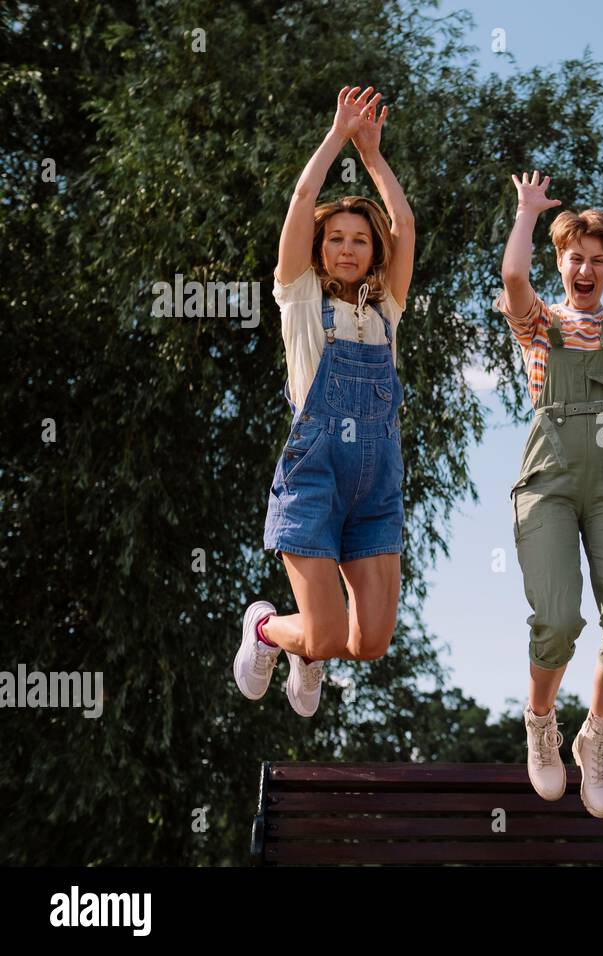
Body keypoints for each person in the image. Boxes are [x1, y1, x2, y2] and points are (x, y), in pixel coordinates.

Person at [234, 86, 415, 716]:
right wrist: (338, 136)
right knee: (327, 636)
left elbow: (405, 225)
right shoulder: (301, 300)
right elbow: (302, 201)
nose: (346, 247)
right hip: (314, 479)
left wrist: (374, 156)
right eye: (335, 238)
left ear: (372, 254)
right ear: (319, 249)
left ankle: (306, 652)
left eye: (359, 240)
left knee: (370, 643)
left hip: (375, 486)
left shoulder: (385, 308)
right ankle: (267, 631)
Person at [497, 170, 603, 818]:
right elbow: (515, 281)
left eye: (599, 260)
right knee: (559, 618)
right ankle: (541, 719)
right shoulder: (540, 326)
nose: (587, 268)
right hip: (548, 481)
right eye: (576, 258)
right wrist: (525, 211)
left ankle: (597, 734)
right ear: (561, 262)